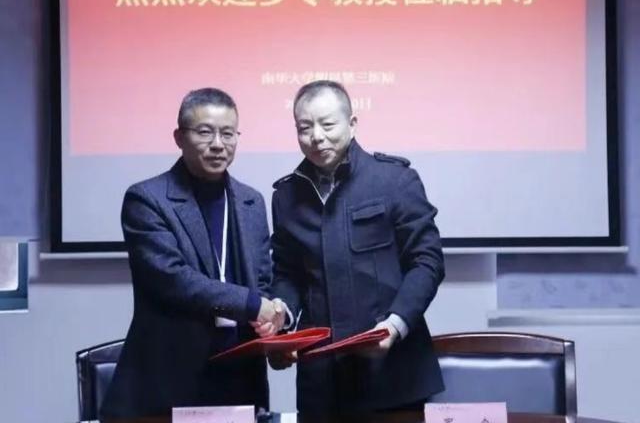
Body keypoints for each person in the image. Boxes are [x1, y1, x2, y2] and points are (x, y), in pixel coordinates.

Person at [101, 88, 286, 419]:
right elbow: (173, 279)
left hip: (241, 379)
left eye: (228, 133)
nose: (218, 144)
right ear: (179, 137)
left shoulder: (251, 202)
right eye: (205, 132)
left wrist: (274, 315)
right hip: (171, 381)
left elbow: (262, 281)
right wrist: (252, 304)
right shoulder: (147, 199)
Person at [269, 81, 445, 413]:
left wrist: (394, 325)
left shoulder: (394, 180)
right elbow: (287, 273)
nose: (316, 136)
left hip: (393, 372)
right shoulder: (286, 196)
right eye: (304, 128)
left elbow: (427, 262)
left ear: (352, 124)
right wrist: (282, 318)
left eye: (327, 124)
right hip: (321, 380)